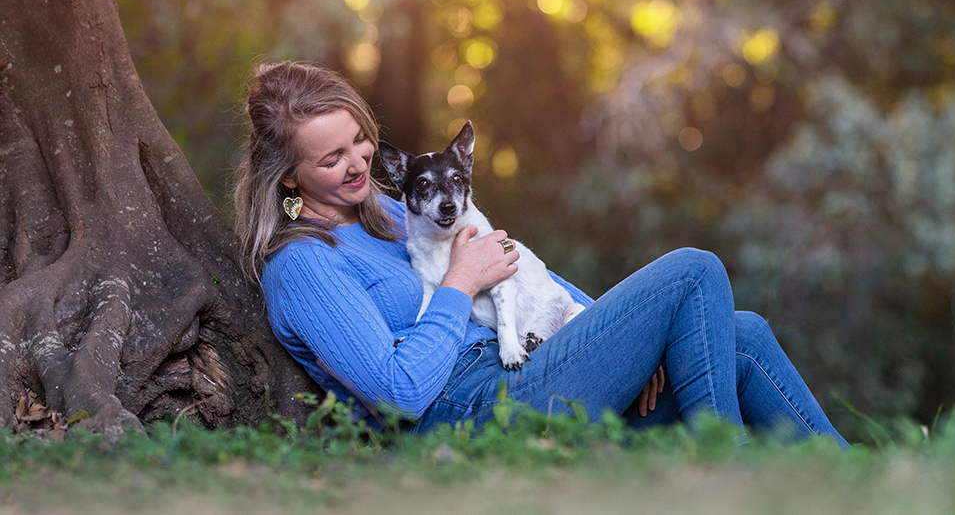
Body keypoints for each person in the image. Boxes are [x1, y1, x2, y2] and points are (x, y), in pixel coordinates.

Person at [233, 60, 849, 447]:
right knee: (694, 271)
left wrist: (618, 339)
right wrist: (456, 283)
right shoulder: (304, 265)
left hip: (532, 360)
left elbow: (521, 268)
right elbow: (397, 395)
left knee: (739, 334)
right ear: (287, 177)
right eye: (330, 158)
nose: (357, 163)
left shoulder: (394, 212)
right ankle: (731, 478)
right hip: (473, 411)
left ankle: (861, 488)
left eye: (359, 141)